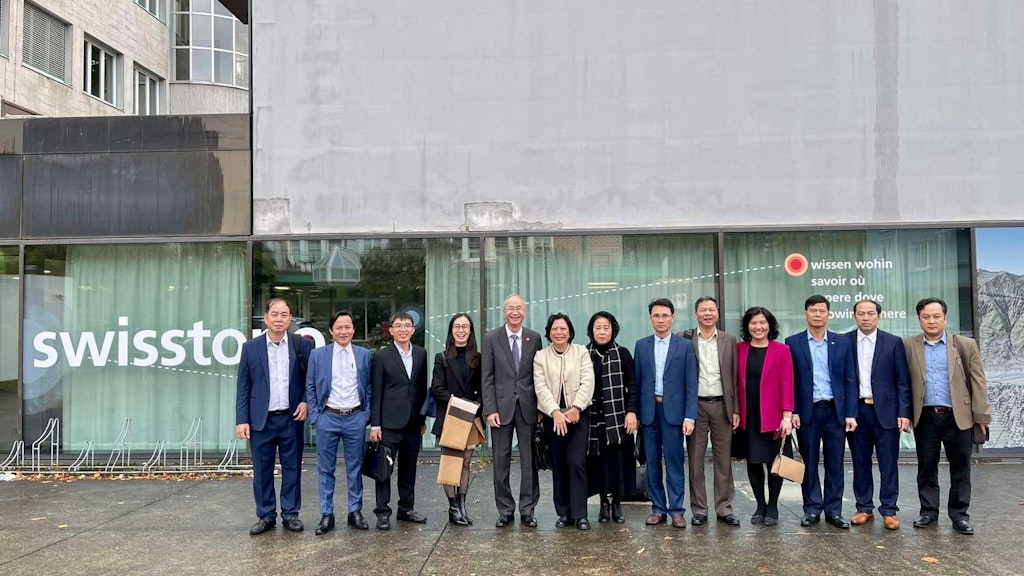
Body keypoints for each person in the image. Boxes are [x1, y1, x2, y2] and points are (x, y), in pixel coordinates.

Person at [904, 297, 991, 536]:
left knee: (961, 467)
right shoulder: (909, 346)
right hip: (926, 417)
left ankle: (959, 515)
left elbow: (978, 382)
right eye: (926, 317)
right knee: (926, 466)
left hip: (958, 416)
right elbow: (903, 383)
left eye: (936, 316)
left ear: (945, 318)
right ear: (919, 318)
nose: (931, 321)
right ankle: (929, 512)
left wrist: (982, 416)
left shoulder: (965, 345)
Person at [235, 298, 312, 535]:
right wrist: (241, 419)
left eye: (285, 314)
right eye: (275, 314)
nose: (279, 319)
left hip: (291, 419)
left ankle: (290, 514)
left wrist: (306, 402)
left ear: (290, 318)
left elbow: (312, 379)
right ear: (266, 318)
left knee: (292, 469)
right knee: (262, 470)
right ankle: (266, 515)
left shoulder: (301, 346)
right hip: (261, 420)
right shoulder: (251, 347)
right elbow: (243, 386)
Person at [785, 295, 858, 529]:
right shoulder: (793, 342)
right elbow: (791, 381)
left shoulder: (842, 342)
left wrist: (851, 413)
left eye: (822, 311)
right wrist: (793, 411)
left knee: (835, 463)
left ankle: (834, 510)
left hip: (835, 412)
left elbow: (850, 380)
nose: (817, 314)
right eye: (813, 310)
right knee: (809, 463)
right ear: (805, 313)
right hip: (808, 413)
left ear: (829, 314)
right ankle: (812, 508)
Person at [846, 299, 912, 530]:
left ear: (878, 316)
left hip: (887, 412)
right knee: (860, 461)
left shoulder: (893, 342)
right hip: (857, 412)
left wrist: (904, 412)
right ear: (854, 316)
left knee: (888, 462)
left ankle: (889, 510)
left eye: (870, 313)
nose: (866, 317)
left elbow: (903, 381)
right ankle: (864, 507)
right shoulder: (845, 342)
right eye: (861, 313)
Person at [305, 310, 373, 534]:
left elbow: (370, 387)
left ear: (353, 330)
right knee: (326, 468)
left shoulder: (364, 355)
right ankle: (327, 514)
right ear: (331, 331)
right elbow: (311, 387)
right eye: (339, 327)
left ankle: (355, 511)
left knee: (355, 467)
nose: (343, 331)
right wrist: (316, 416)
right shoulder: (318, 355)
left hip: (355, 417)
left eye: (348, 327)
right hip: (328, 417)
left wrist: (365, 415)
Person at [633, 298, 698, 529]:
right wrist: (637, 414)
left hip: (674, 413)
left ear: (672, 317)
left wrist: (690, 416)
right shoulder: (641, 345)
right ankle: (658, 508)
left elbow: (691, 384)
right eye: (656, 316)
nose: (660, 320)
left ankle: (677, 510)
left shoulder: (685, 346)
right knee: (652, 463)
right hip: (649, 413)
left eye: (665, 315)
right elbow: (637, 383)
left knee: (674, 462)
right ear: (650, 318)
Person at [481, 294, 543, 528]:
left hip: (527, 408)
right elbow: (486, 377)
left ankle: (528, 509)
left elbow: (538, 376)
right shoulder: (491, 338)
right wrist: (490, 409)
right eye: (510, 308)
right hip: (501, 408)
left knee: (529, 461)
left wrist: (540, 408)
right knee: (501, 460)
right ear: (504, 311)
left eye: (519, 308)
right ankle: (505, 509)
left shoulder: (534, 338)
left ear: (524, 311)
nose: (515, 312)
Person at [680, 296, 740, 527]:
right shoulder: (685, 339)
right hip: (695, 406)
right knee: (695, 460)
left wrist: (735, 409)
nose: (707, 313)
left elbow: (734, 378)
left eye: (711, 309)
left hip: (722, 405)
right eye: (703, 310)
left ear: (717, 313)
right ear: (696, 314)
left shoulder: (728, 339)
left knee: (723, 460)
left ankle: (724, 507)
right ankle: (699, 509)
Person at [534, 313, 595, 530]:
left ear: (569, 331)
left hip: (578, 415)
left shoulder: (581, 352)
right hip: (553, 417)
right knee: (559, 465)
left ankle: (580, 514)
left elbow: (588, 381)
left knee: (576, 463)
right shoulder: (541, 356)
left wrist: (577, 407)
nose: (559, 333)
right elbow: (540, 387)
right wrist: (554, 412)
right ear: (549, 333)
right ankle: (564, 512)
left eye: (563, 329)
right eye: (554, 329)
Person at [369, 312, 429, 530]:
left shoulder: (421, 354)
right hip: (388, 423)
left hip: (413, 422)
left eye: (407, 325)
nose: (403, 329)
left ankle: (406, 508)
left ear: (413, 330)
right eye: (398, 326)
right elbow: (375, 391)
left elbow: (421, 388)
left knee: (408, 468)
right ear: (391, 330)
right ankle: (382, 512)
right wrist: (375, 424)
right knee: (384, 469)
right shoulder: (381, 356)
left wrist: (422, 419)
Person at [737, 306, 794, 527]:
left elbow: (787, 383)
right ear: (747, 326)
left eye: (762, 322)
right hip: (748, 415)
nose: (758, 327)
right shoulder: (739, 349)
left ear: (769, 325)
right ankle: (759, 505)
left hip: (773, 416)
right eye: (753, 323)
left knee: (774, 463)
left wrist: (787, 416)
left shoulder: (781, 350)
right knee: (753, 461)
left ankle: (772, 505)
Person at [585, 311, 638, 524]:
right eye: (598, 327)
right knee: (597, 462)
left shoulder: (622, 353)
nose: (602, 331)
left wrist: (632, 412)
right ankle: (603, 504)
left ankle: (617, 502)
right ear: (591, 330)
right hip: (592, 417)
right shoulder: (583, 353)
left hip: (618, 417)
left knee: (618, 462)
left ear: (613, 329)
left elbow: (633, 386)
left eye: (606, 327)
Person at [430, 313, 483, 527]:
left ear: (470, 331)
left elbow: (483, 387)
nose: (461, 331)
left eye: (465, 327)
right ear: (451, 331)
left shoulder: (478, 358)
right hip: (451, 416)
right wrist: (458, 403)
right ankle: (453, 507)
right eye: (457, 327)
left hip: (471, 417)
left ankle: (462, 505)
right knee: (452, 463)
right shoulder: (441, 358)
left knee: (466, 463)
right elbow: (437, 389)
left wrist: (475, 406)